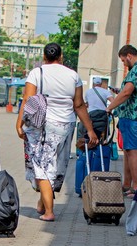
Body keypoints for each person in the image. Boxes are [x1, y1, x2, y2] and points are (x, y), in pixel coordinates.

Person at [16, 42, 98, 222]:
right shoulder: (73, 75)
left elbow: (28, 100)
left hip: (43, 126)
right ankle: (42, 202)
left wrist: (19, 123)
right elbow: (79, 105)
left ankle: (49, 211)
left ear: (44, 57)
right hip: (66, 126)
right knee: (54, 165)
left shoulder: (37, 73)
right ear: (61, 57)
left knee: (42, 168)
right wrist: (90, 130)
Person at [106, 44, 137, 197]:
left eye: (123, 60)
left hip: (134, 116)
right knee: (128, 151)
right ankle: (128, 184)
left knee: (132, 152)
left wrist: (109, 108)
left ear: (129, 56)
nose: (124, 64)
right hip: (136, 116)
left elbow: (127, 92)